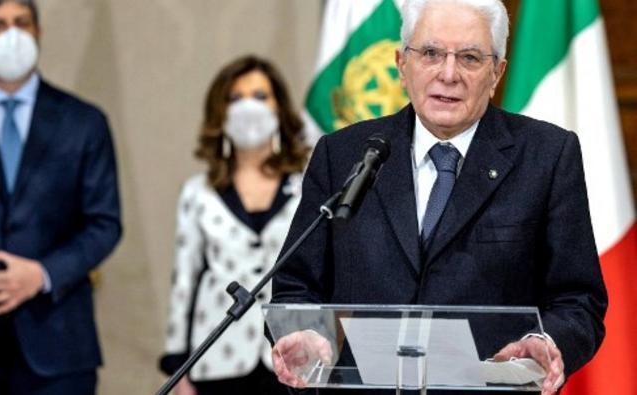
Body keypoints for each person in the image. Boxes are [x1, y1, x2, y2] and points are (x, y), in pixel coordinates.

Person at [269, 0, 608, 395]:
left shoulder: (547, 156)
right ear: (401, 64)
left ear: (496, 72)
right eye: (430, 53)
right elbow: (295, 285)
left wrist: (548, 343)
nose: (448, 74)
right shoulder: (343, 154)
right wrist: (308, 334)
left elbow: (579, 300)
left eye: (469, 58)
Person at [0, 0, 121, 394]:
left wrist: (43, 274)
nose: (12, 35)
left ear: (38, 32)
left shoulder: (84, 121)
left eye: (21, 22)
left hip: (60, 347)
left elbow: (104, 224)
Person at [159, 55, 310, 395]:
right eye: (235, 98)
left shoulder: (308, 187)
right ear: (220, 111)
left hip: (290, 360)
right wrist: (177, 367)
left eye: (260, 97)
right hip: (215, 359)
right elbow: (184, 281)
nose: (248, 108)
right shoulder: (198, 192)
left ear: (279, 108)